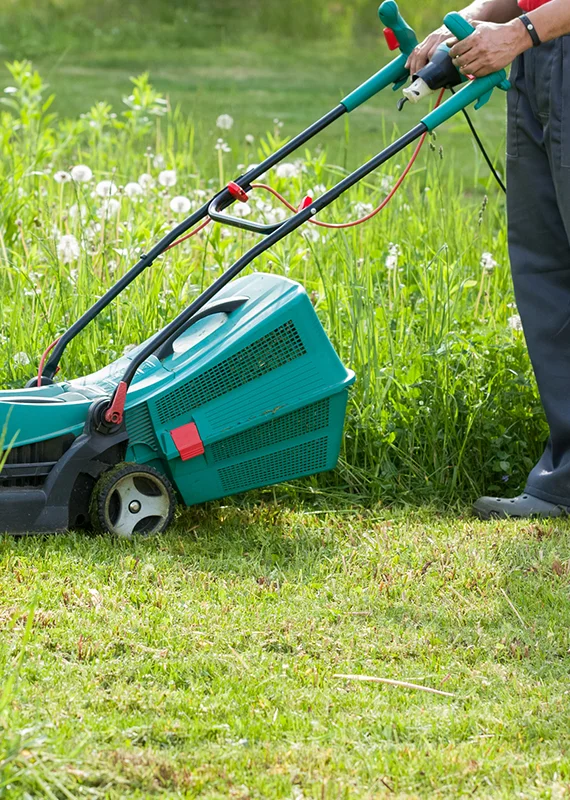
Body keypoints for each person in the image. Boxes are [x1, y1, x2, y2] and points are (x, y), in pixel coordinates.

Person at [408, 0, 570, 519]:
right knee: (544, 270)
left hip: (537, 38)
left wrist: (520, 31)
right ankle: (564, 481)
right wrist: (468, 19)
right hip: (536, 58)